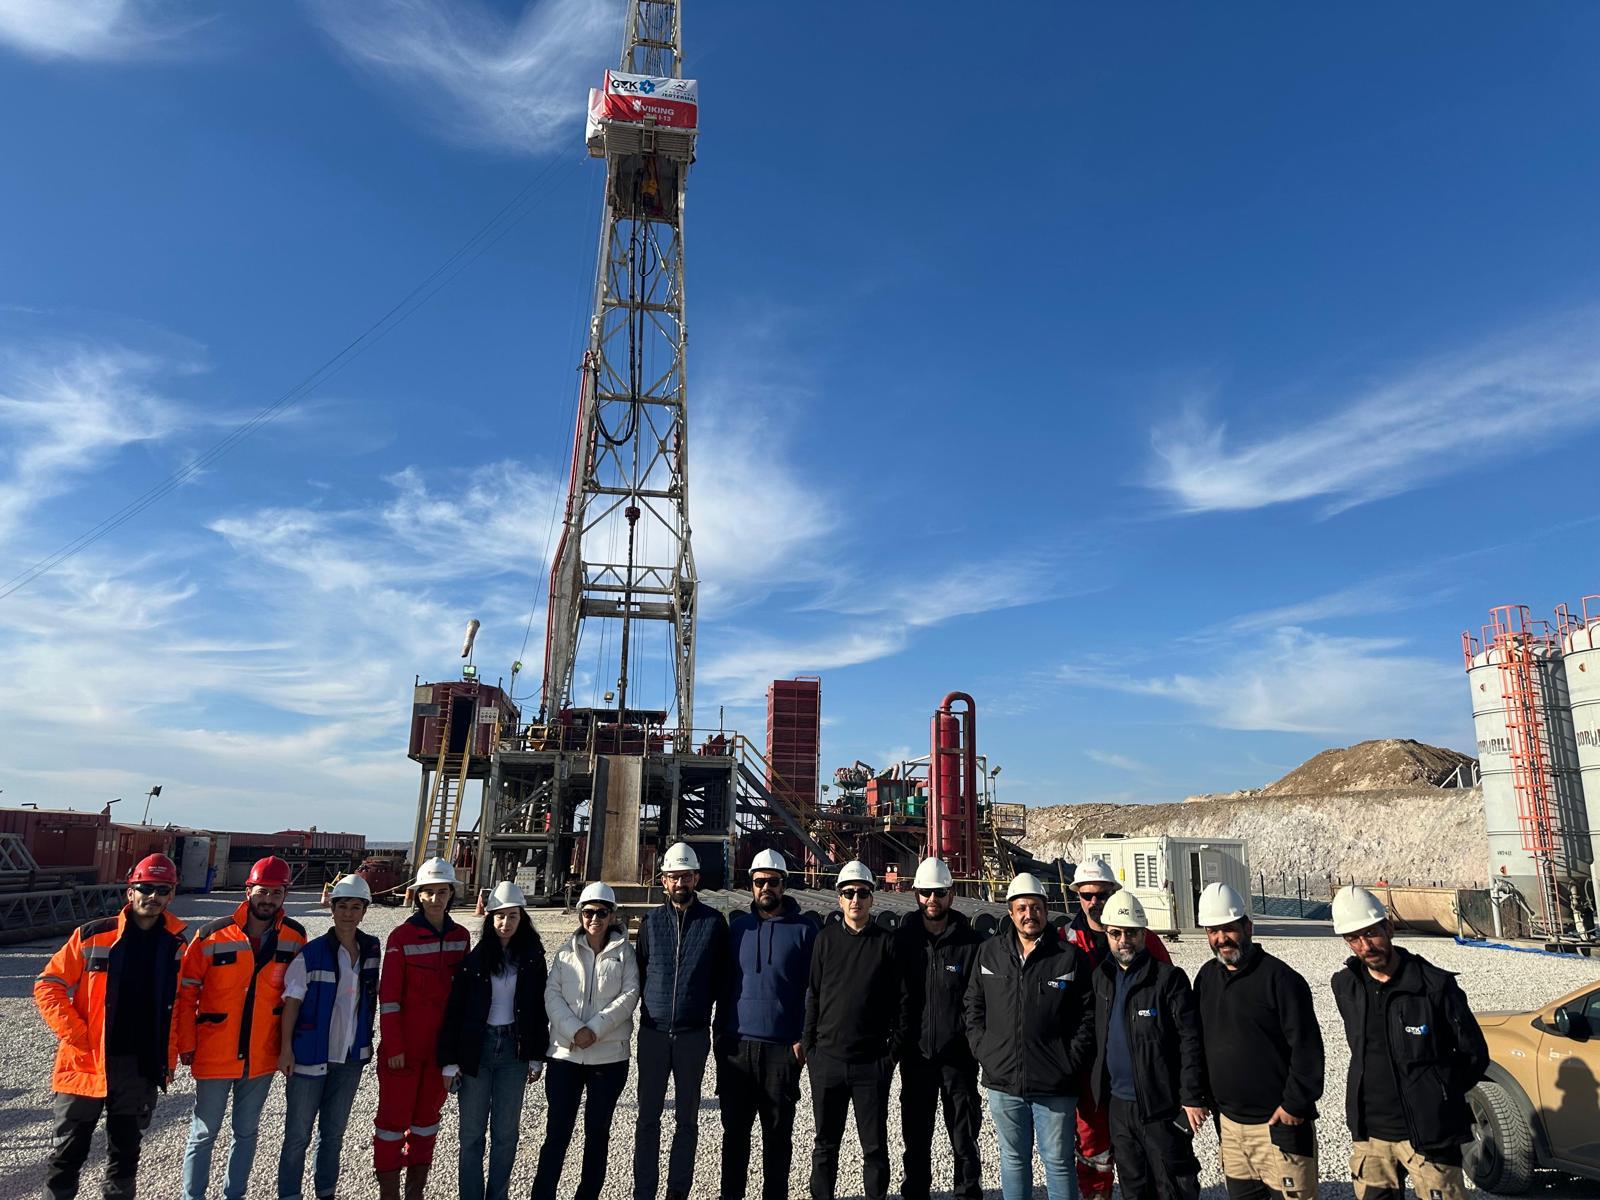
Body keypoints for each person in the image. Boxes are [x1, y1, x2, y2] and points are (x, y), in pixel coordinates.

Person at [35, 854, 188, 1200]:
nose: (153, 896)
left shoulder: (176, 946)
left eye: (162, 889)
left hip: (139, 1067)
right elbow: (49, 984)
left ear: (171, 895)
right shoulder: (93, 936)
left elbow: (177, 1007)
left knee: (125, 1156)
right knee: (67, 1154)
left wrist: (168, 1060)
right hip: (86, 1063)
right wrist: (77, 1034)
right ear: (130, 891)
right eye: (145, 888)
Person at [1330, 885, 1488, 1200]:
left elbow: (1474, 1055)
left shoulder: (1435, 986)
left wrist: (1438, 1093)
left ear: (1388, 928)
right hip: (1371, 1136)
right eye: (1354, 938)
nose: (1365, 946)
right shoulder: (1346, 986)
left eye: (1371, 933)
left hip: (1431, 1134)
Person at [178, 855, 307, 1200]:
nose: (268, 899)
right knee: (203, 1133)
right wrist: (186, 1043)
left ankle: (234, 1195)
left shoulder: (295, 937)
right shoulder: (211, 934)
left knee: (246, 1132)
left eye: (276, 893)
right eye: (262, 891)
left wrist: (287, 1048)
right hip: (215, 1052)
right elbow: (186, 992)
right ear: (248, 890)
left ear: (285, 896)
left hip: (261, 1054)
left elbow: (297, 996)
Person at [967, 872, 1096, 1200]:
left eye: (1036, 907)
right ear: (1010, 912)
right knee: (1012, 1160)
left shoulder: (1068, 957)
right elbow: (973, 1005)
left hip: (1055, 1083)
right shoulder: (989, 953)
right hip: (1004, 1081)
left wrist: (1069, 1061)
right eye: (1022, 908)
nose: (1030, 914)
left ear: (1046, 910)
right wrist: (985, 1051)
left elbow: (1087, 1015)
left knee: (1058, 1162)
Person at [1192, 882, 1323, 1200]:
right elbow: (1195, 1042)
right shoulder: (1206, 978)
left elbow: (1307, 1050)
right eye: (1213, 931)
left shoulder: (1281, 980)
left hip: (1278, 1125)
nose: (1221, 938)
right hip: (1231, 1129)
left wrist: (1294, 1105)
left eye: (1229, 929)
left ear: (1247, 927)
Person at [1061, 858, 1170, 1200]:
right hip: (1088, 1066)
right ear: (1077, 896)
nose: (1095, 901)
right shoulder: (1065, 941)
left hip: (1136, 1065)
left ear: (1114, 893)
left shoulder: (1145, 940)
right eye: (1087, 895)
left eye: (1102, 894)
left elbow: (1169, 998)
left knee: (1144, 1150)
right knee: (1093, 1144)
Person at [1088, 891, 1206, 1200]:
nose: (1123, 940)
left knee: (1173, 1186)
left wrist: (1192, 1096)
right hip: (1118, 1105)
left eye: (1131, 933)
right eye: (1116, 933)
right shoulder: (1102, 978)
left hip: (1160, 1105)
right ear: (1107, 934)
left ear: (1143, 933)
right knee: (1133, 1186)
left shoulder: (1168, 980)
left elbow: (1190, 1041)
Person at [803, 860, 908, 1200]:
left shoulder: (886, 943)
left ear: (872, 899)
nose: (855, 900)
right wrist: (811, 1050)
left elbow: (902, 1002)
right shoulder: (825, 940)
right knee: (825, 1145)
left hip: (870, 1064)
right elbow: (814, 995)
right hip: (828, 1062)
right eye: (849, 893)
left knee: (874, 1147)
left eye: (862, 893)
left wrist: (890, 1057)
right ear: (839, 898)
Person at [716, 848, 817, 1200]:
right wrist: (720, 1037)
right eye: (759, 882)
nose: (766, 888)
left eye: (773, 881)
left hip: (781, 1050)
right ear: (752, 885)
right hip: (737, 1047)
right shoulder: (738, 929)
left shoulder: (805, 930)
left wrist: (803, 1039)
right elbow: (724, 986)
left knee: (777, 1137)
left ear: (784, 885)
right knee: (734, 1136)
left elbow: (814, 990)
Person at [439, 880, 549, 1200]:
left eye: (513, 916)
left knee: (506, 1135)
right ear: (490, 919)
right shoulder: (475, 960)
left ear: (522, 918)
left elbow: (538, 1009)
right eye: (500, 916)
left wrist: (536, 1055)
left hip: (513, 1051)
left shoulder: (532, 958)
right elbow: (456, 1011)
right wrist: (449, 1062)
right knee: (471, 1134)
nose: (506, 922)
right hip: (478, 1049)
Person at [276, 873, 382, 1200]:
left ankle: (326, 1193)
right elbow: (292, 1004)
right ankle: (289, 1195)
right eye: (342, 906)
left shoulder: (371, 949)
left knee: (333, 1135)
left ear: (364, 911)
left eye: (355, 907)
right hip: (310, 1057)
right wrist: (285, 1050)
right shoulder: (311, 953)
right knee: (297, 1137)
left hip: (349, 1058)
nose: (348, 913)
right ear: (332, 909)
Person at [532, 881, 640, 1200]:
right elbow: (552, 994)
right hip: (565, 1056)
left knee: (597, 1134)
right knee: (557, 1133)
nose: (595, 918)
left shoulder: (625, 954)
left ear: (612, 916)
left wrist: (594, 1029)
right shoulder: (565, 952)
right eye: (589, 912)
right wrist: (574, 1031)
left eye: (602, 912)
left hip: (608, 1058)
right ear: (580, 914)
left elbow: (630, 994)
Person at [632, 842, 729, 1200]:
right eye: (674, 877)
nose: (680, 883)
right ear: (664, 881)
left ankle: (677, 1191)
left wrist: (701, 1008)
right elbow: (640, 972)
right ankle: (644, 1191)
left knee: (686, 1119)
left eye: (686, 877)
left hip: (692, 1035)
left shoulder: (713, 923)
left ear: (696, 878)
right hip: (653, 1034)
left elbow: (721, 978)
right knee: (647, 1118)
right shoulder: (651, 922)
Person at [374, 856, 471, 1199]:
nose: (435, 899)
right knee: (391, 1124)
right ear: (418, 895)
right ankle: (389, 1193)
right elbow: (389, 998)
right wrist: (394, 1046)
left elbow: (462, 1000)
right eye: (428, 892)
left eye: (442, 892)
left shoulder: (461, 937)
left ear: (451, 894)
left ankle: (415, 1192)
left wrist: (454, 1053)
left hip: (439, 1051)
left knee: (427, 1123)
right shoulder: (402, 936)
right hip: (404, 1050)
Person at [893, 856, 983, 1200]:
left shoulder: (971, 944)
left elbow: (979, 1002)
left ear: (952, 894)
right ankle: (916, 1193)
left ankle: (967, 1193)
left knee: (964, 1138)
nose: (933, 899)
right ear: (916, 894)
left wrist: (973, 1044)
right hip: (916, 1057)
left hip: (958, 1060)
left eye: (940, 892)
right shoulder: (903, 941)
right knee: (916, 1139)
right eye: (927, 892)